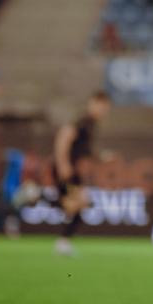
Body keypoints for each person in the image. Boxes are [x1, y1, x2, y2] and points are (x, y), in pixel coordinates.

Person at [52, 91, 111, 256]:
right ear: (92, 104)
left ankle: (63, 241)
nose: (103, 110)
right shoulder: (83, 121)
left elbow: (84, 150)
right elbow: (64, 136)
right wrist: (63, 163)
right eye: (101, 106)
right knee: (79, 203)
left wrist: (101, 157)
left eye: (105, 108)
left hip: (73, 169)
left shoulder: (91, 125)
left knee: (76, 205)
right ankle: (63, 241)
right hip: (67, 169)